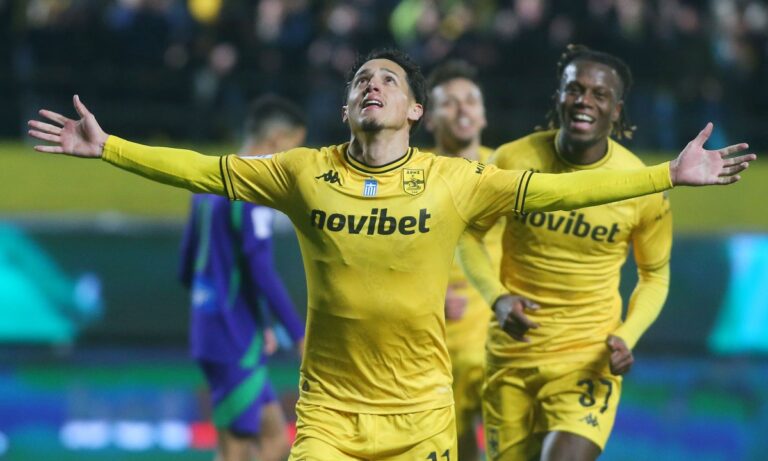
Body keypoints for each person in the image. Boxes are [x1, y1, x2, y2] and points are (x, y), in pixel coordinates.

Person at [28, 48, 753, 461]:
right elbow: (201, 170)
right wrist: (108, 148)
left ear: (414, 110)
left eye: (388, 79)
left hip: (420, 419)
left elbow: (563, 191)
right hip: (329, 417)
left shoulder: (456, 180)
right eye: (360, 81)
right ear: (349, 108)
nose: (371, 85)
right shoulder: (301, 172)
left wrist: (666, 175)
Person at [457, 44, 680, 461]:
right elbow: (467, 235)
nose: (584, 100)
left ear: (616, 110)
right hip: (511, 355)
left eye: (599, 94)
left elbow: (655, 275)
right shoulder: (512, 159)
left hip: (587, 358)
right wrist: (497, 299)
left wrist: (627, 335)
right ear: (558, 96)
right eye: (574, 89)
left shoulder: (640, 184)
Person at [178, 95, 307, 461]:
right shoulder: (253, 190)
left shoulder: (210, 180)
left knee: (275, 441)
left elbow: (186, 266)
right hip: (234, 338)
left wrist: (258, 322)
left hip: (213, 330)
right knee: (234, 452)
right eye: (294, 148)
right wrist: (298, 334)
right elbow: (261, 271)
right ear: (278, 140)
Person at [424, 59, 502, 461]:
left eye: (471, 100)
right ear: (427, 118)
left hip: (499, 339)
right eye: (449, 103)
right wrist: (426, 297)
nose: (462, 110)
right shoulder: (412, 177)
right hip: (433, 343)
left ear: (484, 114)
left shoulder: (508, 170)